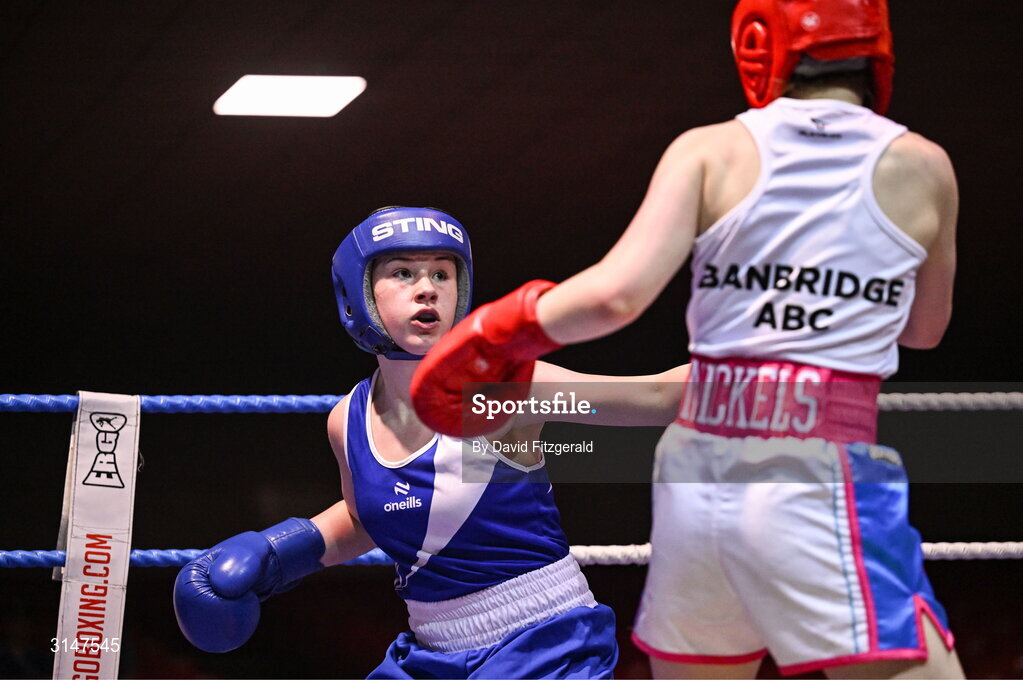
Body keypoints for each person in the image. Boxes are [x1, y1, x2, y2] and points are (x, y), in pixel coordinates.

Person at [410, 1, 964, 678]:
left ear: (759, 43)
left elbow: (615, 295)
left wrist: (493, 330)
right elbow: (924, 329)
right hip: (814, 467)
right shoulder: (923, 163)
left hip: (694, 471)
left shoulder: (708, 148)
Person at [172, 206, 689, 679]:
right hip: (432, 650)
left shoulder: (501, 390)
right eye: (402, 273)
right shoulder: (346, 420)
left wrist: (760, 358)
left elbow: (654, 398)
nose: (427, 289)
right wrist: (279, 553)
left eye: (442, 273)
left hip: (543, 644)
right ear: (358, 293)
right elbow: (365, 519)